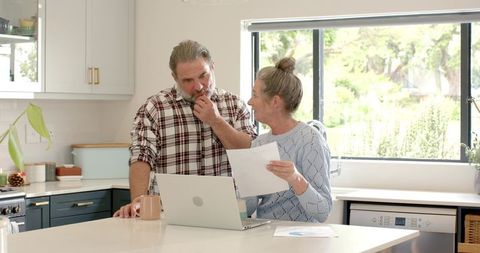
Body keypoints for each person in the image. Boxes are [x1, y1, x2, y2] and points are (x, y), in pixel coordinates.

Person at [114, 40, 256, 218]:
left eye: (203, 75)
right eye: (188, 80)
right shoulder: (155, 108)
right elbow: (141, 156)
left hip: (224, 212)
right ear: (174, 77)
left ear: (212, 67)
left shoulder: (234, 105)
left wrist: (216, 121)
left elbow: (249, 153)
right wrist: (138, 199)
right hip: (171, 214)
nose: (198, 86)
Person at [245, 57, 332, 222]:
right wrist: (243, 185)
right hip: (265, 236)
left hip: (301, 240)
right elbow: (249, 208)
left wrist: (295, 178)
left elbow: (323, 212)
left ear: (275, 102)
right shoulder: (259, 143)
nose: (250, 102)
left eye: (254, 95)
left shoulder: (310, 140)